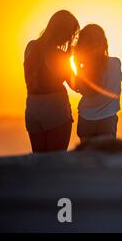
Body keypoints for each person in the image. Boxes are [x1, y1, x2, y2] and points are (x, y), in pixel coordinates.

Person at [24, 10, 79, 153]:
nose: (68, 39)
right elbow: (76, 85)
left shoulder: (30, 47)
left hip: (33, 109)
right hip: (55, 110)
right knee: (56, 162)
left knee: (39, 162)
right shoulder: (58, 55)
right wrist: (75, 61)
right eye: (70, 34)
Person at [72, 24, 122, 142]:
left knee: (87, 158)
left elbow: (79, 88)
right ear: (103, 42)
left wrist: (77, 65)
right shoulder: (115, 63)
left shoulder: (84, 70)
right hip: (107, 120)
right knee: (106, 157)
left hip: (86, 119)